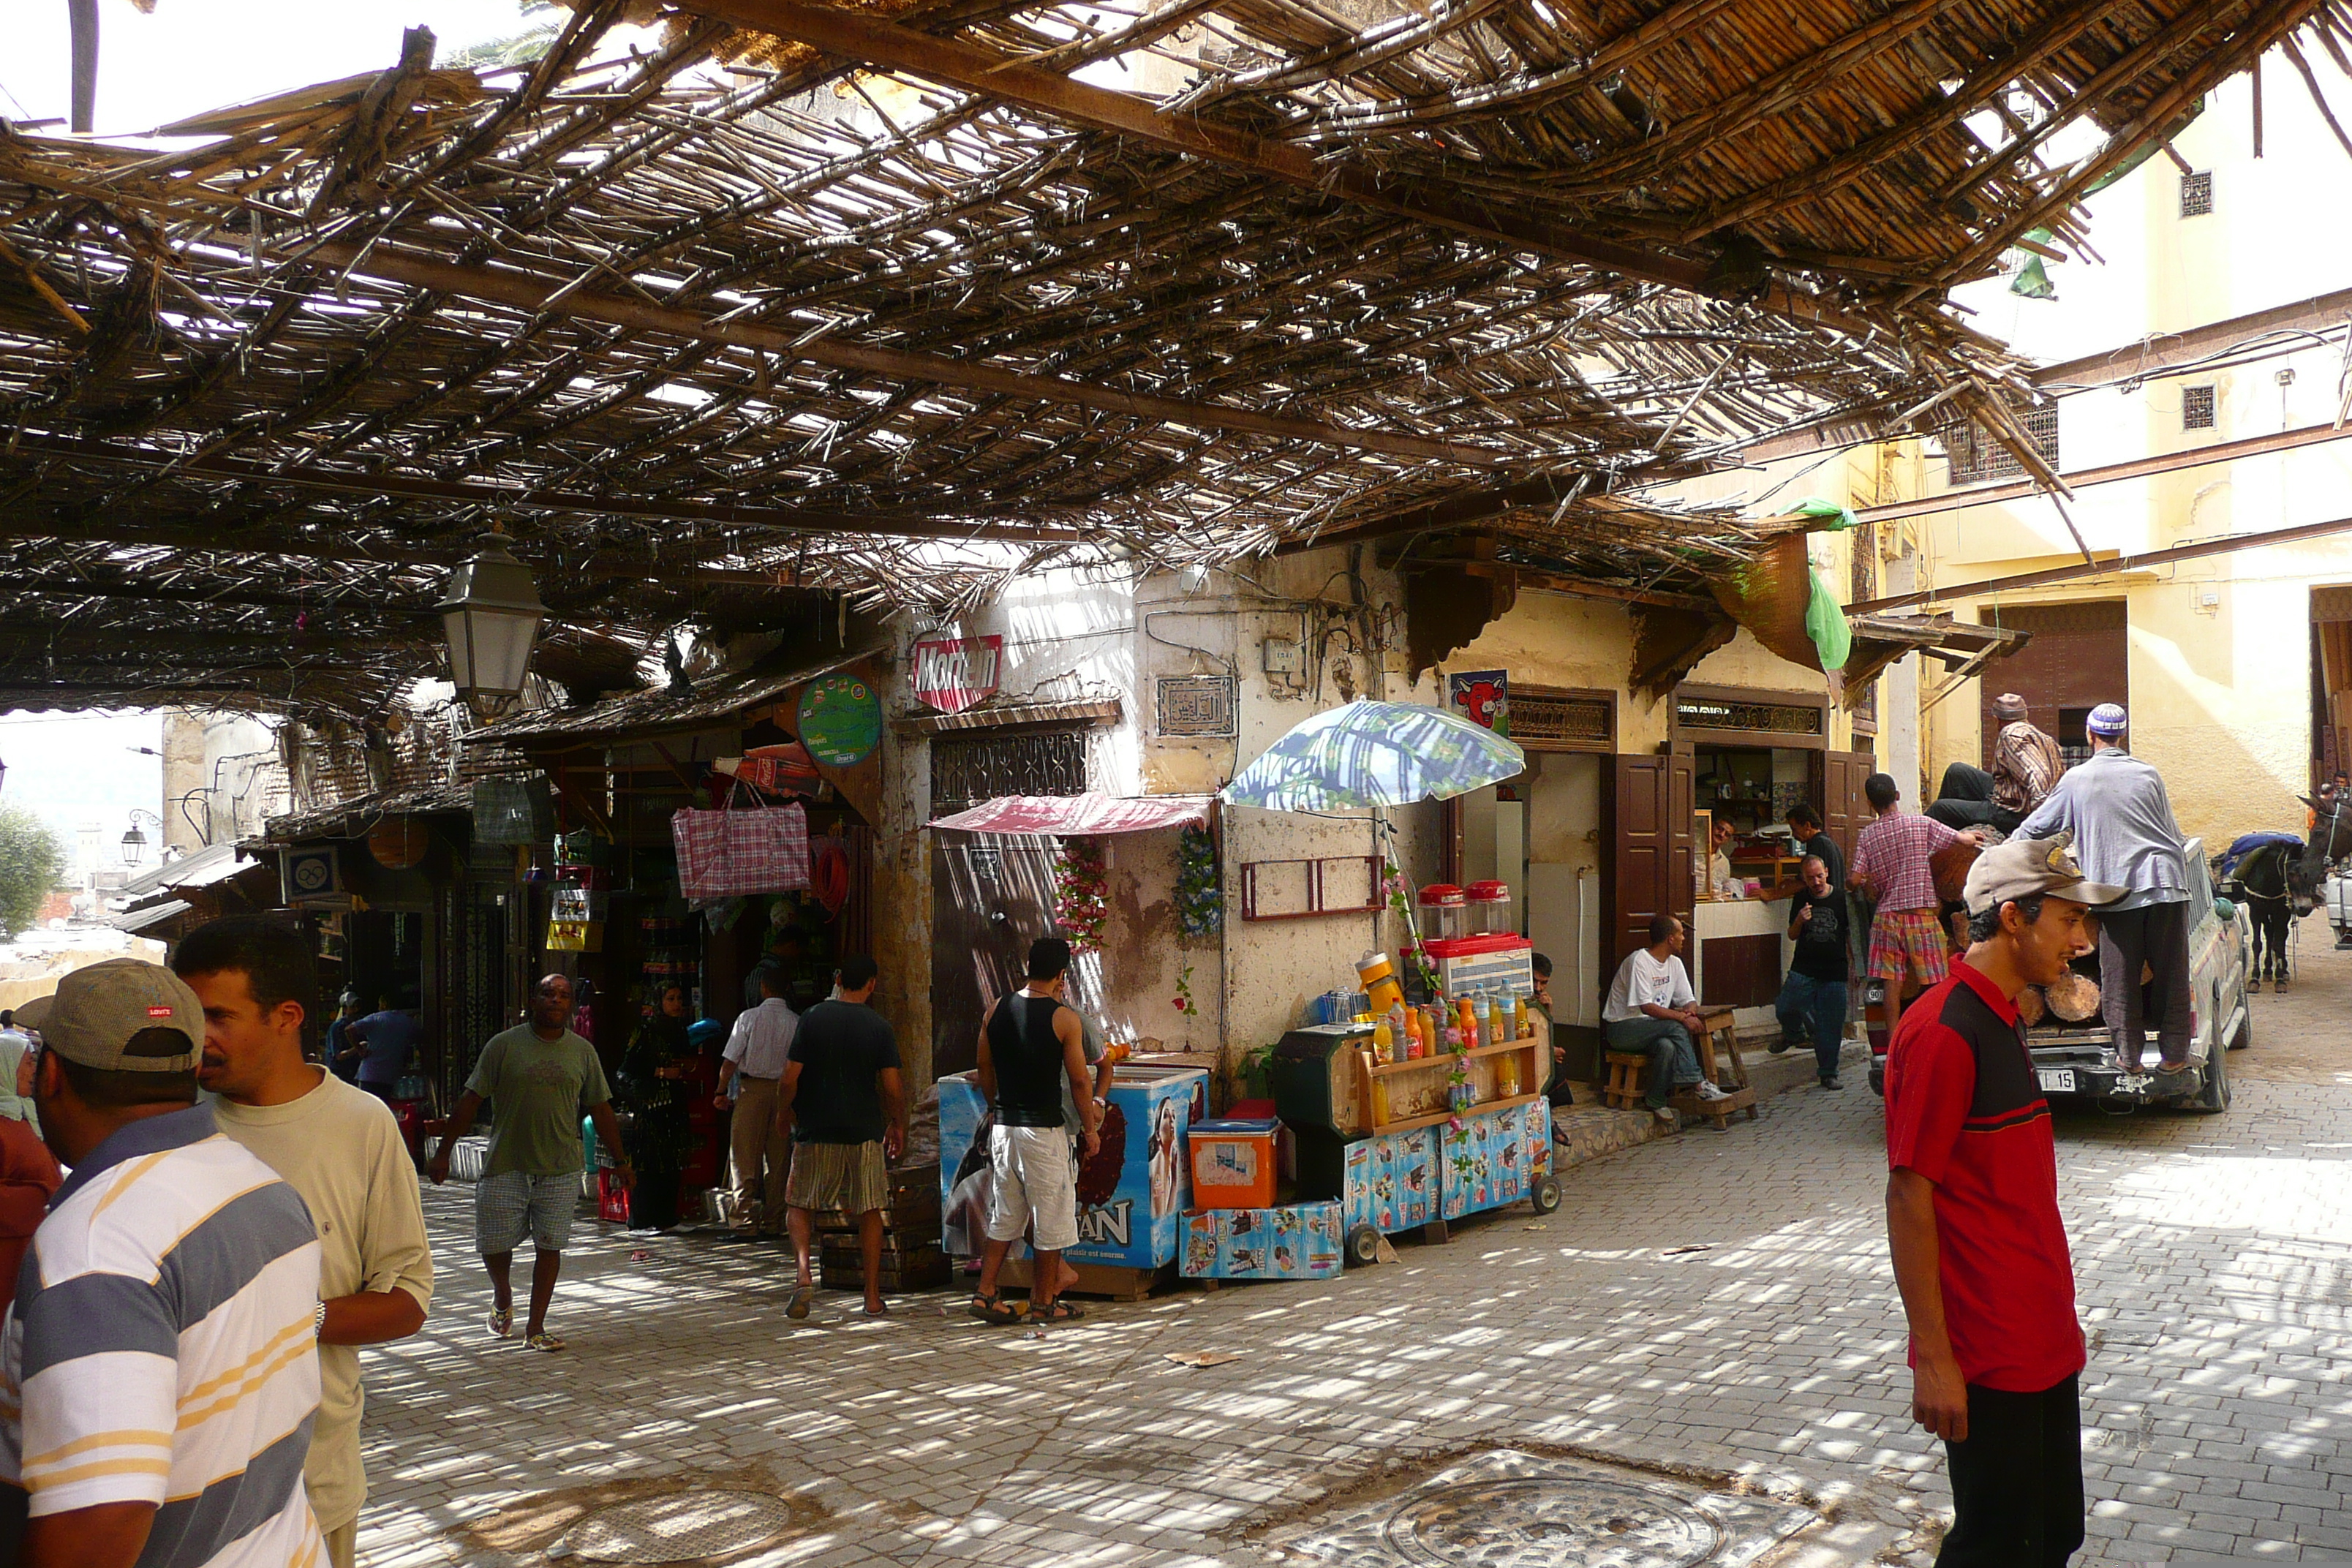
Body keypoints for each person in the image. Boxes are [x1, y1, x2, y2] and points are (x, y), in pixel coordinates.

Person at [1, 960, 325, 1568]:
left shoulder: (98, 1244)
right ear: (191, 1068)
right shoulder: (258, 1185)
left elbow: (101, 1517)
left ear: (50, 1076)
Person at [1884, 834, 2122, 1565]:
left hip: (2041, 1335)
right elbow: (1908, 1196)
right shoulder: (1943, 1031)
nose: (2080, 941)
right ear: (2013, 918)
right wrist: (1934, 1357)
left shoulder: (2004, 1017)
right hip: (1989, 1354)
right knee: (1997, 1547)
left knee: (2051, 1535)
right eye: (2067, 920)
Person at [173, 917, 434, 1568]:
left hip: (313, 1481)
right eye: (187, 1017)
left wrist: (292, 1316)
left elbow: (407, 1298)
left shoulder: (360, 1124)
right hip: (182, 1493)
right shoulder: (171, 1128)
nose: (198, 1038)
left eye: (219, 1017)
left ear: (286, 1016)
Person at [428, 974, 631, 1352]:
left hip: (560, 1167)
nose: (556, 1001)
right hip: (508, 1163)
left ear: (571, 1004)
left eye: (564, 996)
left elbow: (600, 1107)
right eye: (548, 994)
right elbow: (471, 1098)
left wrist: (620, 1160)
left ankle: (535, 1327)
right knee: (494, 1244)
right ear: (534, 999)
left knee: (550, 1246)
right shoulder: (503, 1046)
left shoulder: (582, 1052)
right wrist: (444, 1151)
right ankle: (502, 1295)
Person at [2016, 703, 2195, 1076]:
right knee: (2172, 975)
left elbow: (2036, 828)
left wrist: (2000, 850)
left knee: (2120, 978)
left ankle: (2129, 1060)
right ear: (2123, 736)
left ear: (2089, 734)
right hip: (2166, 883)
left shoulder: (2078, 778)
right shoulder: (2149, 773)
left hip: (2117, 891)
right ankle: (2175, 1056)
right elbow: (2173, 832)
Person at [970, 938, 1102, 1326]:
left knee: (1006, 1216)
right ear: (1063, 975)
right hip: (1043, 1132)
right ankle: (1044, 1302)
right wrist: (1091, 1129)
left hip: (1005, 1129)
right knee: (1052, 1221)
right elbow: (1080, 1081)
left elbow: (984, 1065)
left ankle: (985, 1292)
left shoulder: (996, 1008)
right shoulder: (1064, 1019)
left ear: (1028, 967)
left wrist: (996, 1107)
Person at [774, 956, 905, 1319]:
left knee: (799, 1203)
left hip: (816, 1128)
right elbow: (892, 1087)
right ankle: (873, 1296)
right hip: (864, 1131)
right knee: (869, 1208)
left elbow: (789, 1078)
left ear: (837, 979)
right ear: (872, 984)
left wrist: (784, 1113)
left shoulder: (812, 1018)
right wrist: (898, 1123)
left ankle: (803, 1273)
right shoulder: (879, 1026)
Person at [1850, 773, 1980, 1047]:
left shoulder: (1867, 835)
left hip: (1886, 918)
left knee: (1892, 985)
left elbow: (1854, 878)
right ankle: (1937, 1034)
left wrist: (1861, 884)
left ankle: (1895, 1040)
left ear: (1870, 803)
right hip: (1920, 916)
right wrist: (1973, 837)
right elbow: (1961, 840)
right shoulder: (1918, 823)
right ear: (1897, 796)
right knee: (1935, 982)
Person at [1599, 916, 1726, 1126]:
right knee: (1676, 1027)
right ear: (1670, 939)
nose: (1684, 938)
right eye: (1680, 934)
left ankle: (1656, 1101)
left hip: (1652, 1030)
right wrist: (1681, 1018)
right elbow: (1646, 1007)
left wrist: (1690, 1013)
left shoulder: (1675, 964)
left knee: (1666, 1046)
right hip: (1622, 1028)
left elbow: (1688, 999)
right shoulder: (1639, 961)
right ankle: (1697, 1084)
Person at [716, 970, 798, 1237]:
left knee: (743, 1157)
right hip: (784, 1092)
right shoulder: (796, 1022)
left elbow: (730, 1061)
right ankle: (775, 1221)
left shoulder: (748, 1018)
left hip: (752, 1091)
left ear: (763, 988)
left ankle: (744, 1222)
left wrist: (720, 1091)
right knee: (778, 1160)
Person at [616, 984, 696, 1232]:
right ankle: (641, 1219)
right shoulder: (646, 1032)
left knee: (672, 1160)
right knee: (649, 1162)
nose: (676, 1003)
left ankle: (667, 1218)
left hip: (674, 1103)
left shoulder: (680, 1030)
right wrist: (661, 1072)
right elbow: (627, 1069)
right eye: (670, 998)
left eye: (679, 998)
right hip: (651, 1105)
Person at [1926, 694, 2064, 834]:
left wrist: (2041, 819)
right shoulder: (2044, 738)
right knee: (1957, 771)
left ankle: (1929, 842)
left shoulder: (2010, 734)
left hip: (2012, 812)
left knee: (1940, 809)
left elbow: (2038, 775)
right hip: (2015, 795)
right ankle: (1953, 834)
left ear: (1997, 720)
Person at [1772, 856, 1851, 1089]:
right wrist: (1799, 920)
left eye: (1819, 876)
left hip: (1834, 971)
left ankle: (1828, 1073)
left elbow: (1850, 934)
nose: (1816, 882)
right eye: (1810, 878)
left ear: (1826, 872)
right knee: (1785, 1007)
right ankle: (1794, 1033)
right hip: (1804, 968)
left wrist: (1856, 967)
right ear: (1804, 879)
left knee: (1831, 1024)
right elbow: (1792, 934)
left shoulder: (1841, 899)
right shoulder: (1801, 898)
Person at [344, 996, 422, 1101]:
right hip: (391, 1075)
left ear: (384, 1004)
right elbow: (418, 1039)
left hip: (369, 1074)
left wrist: (359, 1049)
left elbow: (349, 1029)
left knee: (368, 1109)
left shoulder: (376, 1018)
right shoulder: (408, 1021)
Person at [1784, 802, 1845, 894]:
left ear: (1807, 826)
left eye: (1795, 829)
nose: (1793, 835)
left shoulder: (1818, 844)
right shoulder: (1829, 842)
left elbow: (1806, 882)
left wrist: (1771, 895)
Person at [0, 1011, 35, 1125]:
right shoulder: (7, 1122)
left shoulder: (24, 1111)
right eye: (28, 1063)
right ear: (7, 1070)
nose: (34, 1070)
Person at [326, 991, 366, 1084]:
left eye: (358, 1006)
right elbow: (339, 1056)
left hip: (356, 1070)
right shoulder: (337, 1027)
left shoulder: (362, 1023)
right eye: (352, 1007)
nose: (356, 1010)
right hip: (340, 1073)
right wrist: (359, 1047)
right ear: (344, 1009)